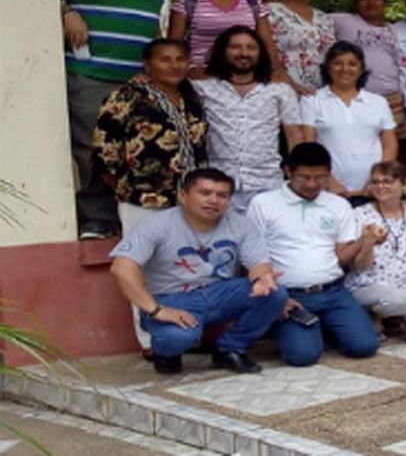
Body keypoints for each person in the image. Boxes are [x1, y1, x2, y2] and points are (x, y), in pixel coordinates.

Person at [108, 168, 286, 374]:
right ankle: (166, 353)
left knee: (275, 293)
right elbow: (121, 268)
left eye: (222, 195)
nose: (213, 200)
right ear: (183, 196)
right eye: (205, 193)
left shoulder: (240, 224)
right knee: (178, 339)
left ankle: (229, 349)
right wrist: (157, 309)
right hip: (171, 297)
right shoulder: (156, 224)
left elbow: (258, 263)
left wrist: (262, 280)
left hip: (219, 293)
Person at [60, 0, 169, 238]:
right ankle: (96, 218)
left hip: (138, 78)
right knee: (92, 146)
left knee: (136, 148)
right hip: (90, 72)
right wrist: (66, 12)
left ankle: (132, 219)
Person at [247, 143, 379, 366]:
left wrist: (365, 241)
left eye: (319, 178)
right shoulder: (263, 204)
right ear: (288, 172)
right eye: (304, 177)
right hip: (290, 296)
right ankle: (303, 330)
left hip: (333, 291)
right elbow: (252, 255)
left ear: (329, 174)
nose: (311, 184)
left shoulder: (338, 204)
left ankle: (325, 327)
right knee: (302, 356)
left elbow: (343, 257)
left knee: (364, 346)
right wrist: (275, 298)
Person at [95, 39, 208, 233]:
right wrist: (122, 181)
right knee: (144, 256)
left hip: (190, 198)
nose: (174, 66)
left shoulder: (192, 97)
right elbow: (105, 143)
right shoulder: (128, 95)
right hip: (144, 198)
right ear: (147, 65)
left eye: (180, 59)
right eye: (165, 60)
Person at [192, 26, 304, 212]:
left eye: (251, 48)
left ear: (260, 53)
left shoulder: (280, 90)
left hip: (268, 185)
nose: (244, 53)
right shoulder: (201, 89)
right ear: (223, 50)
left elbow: (294, 137)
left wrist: (297, 177)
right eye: (236, 47)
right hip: (217, 187)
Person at [348, 161, 406, 345]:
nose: (380, 186)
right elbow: (360, 266)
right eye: (375, 182)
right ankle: (373, 315)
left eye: (387, 181)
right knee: (397, 300)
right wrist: (367, 241)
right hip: (368, 286)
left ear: (404, 184)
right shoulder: (359, 215)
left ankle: (394, 320)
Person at [297, 42, 398, 201]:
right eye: (338, 63)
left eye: (352, 64)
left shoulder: (378, 102)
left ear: (361, 68)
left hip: (372, 192)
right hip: (328, 191)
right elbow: (308, 144)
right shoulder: (312, 100)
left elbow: (390, 143)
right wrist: (329, 181)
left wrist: (378, 181)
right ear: (328, 67)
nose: (345, 69)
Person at [329, 0, 406, 131]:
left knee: (392, 142)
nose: (371, 3)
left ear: (385, 3)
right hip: (355, 95)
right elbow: (306, 16)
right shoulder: (342, 21)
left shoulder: (393, 29)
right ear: (356, 3)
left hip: (391, 96)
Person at [266, 0, 336, 94]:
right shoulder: (271, 12)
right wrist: (288, 82)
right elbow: (265, 48)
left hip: (320, 90)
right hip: (283, 86)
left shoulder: (324, 18)